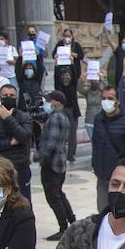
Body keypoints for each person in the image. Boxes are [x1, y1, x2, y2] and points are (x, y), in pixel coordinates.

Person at [0, 82, 35, 201]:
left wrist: (8, 118)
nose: (9, 98)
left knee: (23, 203)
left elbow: (24, 137)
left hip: (20, 168)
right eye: (5, 95)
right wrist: (9, 143)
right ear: (0, 98)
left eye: (12, 95)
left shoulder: (24, 117)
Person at [90, 84, 125, 213]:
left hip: (120, 177)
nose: (106, 102)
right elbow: (95, 143)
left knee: (118, 212)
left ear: (118, 101)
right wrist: (95, 165)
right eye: (104, 98)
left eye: (110, 98)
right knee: (102, 210)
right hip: (102, 175)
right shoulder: (98, 119)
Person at [36, 90, 76, 241]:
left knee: (53, 197)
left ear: (57, 102)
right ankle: (71, 222)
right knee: (59, 194)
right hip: (60, 163)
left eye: (49, 100)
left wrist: (36, 156)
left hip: (51, 164)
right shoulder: (63, 117)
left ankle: (63, 227)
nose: (47, 103)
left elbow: (50, 144)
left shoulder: (55, 118)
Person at [55, 66, 82, 164]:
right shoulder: (59, 87)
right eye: (64, 75)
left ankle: (70, 154)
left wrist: (71, 63)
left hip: (72, 111)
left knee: (72, 134)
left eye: (67, 75)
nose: (66, 77)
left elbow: (75, 77)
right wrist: (57, 64)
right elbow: (55, 77)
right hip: (63, 111)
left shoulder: (73, 85)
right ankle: (61, 152)